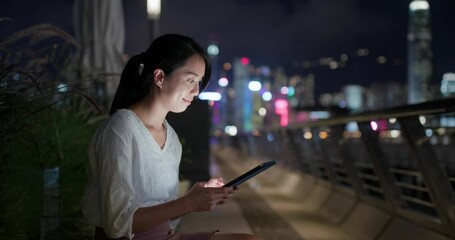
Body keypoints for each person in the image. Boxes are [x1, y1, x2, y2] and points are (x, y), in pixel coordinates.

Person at [80, 34, 260, 240]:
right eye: (190, 80)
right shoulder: (120, 129)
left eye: (199, 82)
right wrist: (189, 203)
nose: (196, 91)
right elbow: (117, 224)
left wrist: (198, 198)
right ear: (159, 77)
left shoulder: (171, 138)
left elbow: (170, 219)